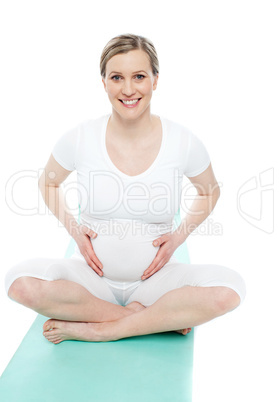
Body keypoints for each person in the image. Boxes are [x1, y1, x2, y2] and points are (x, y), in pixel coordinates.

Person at [5, 33, 246, 344]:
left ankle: (100, 329)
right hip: (92, 280)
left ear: (155, 80)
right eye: (117, 77)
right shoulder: (80, 137)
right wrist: (75, 230)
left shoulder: (183, 141)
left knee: (230, 290)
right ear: (104, 82)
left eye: (139, 77)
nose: (129, 89)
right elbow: (48, 182)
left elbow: (210, 191)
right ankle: (146, 320)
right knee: (18, 284)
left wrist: (178, 236)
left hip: (158, 281)